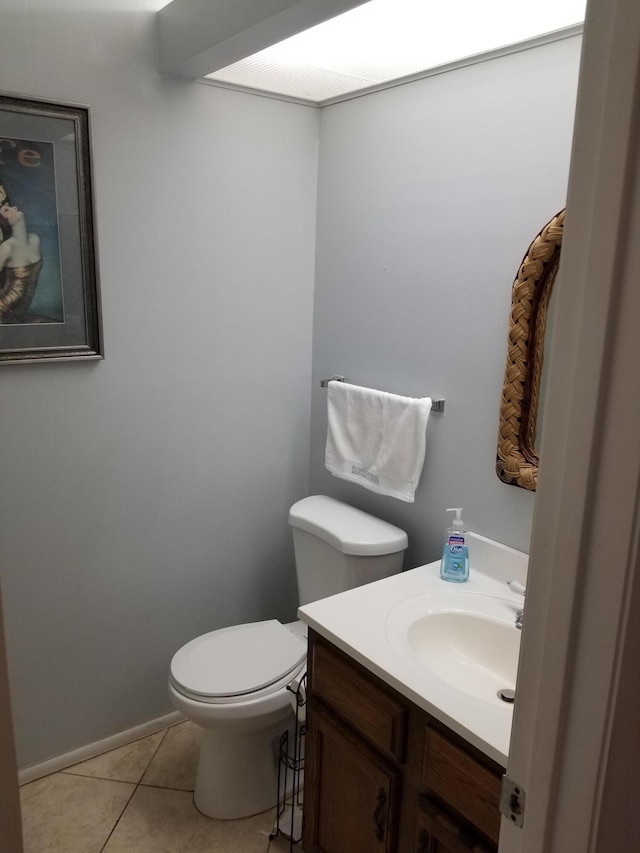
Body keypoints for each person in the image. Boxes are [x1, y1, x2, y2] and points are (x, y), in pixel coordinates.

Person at [0, 202, 43, 323]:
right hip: (3, 310)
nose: (14, 207)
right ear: (5, 221)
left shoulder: (35, 239)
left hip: (20, 312)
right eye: (6, 210)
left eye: (10, 206)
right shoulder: (7, 247)